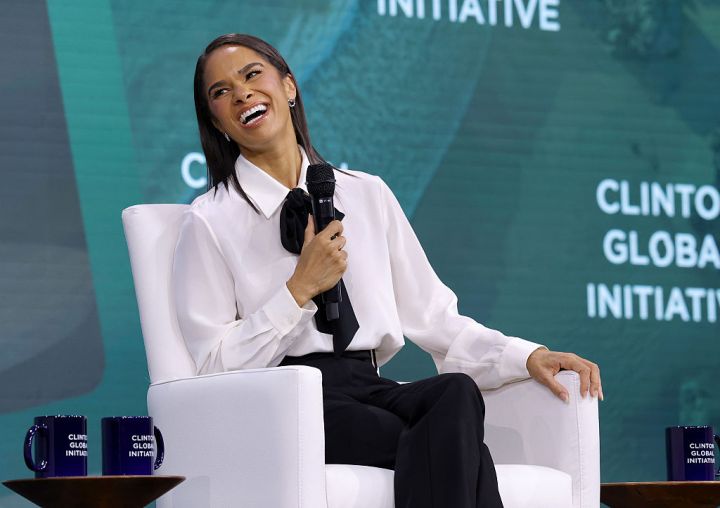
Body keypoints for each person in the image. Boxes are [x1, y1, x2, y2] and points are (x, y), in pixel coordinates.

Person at [173, 33, 603, 508]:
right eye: (221, 92)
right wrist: (297, 291)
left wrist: (526, 356)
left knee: (455, 394)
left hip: (370, 384)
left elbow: (435, 318)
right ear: (217, 122)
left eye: (252, 75)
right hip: (284, 400)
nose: (242, 94)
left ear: (289, 87)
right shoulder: (209, 220)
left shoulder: (367, 193)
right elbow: (211, 364)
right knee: (457, 445)